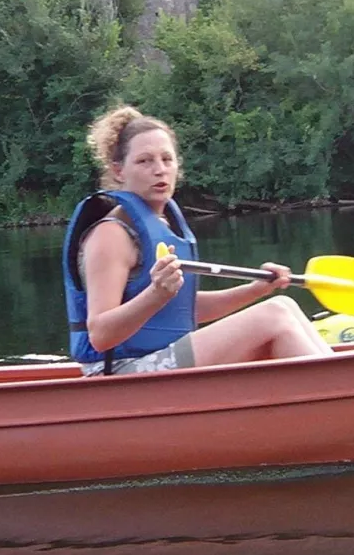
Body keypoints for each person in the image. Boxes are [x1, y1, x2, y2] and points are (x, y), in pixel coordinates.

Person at [63, 107, 333, 376]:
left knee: (285, 305)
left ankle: (337, 385)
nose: (159, 170)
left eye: (167, 159)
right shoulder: (111, 234)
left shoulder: (163, 224)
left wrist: (255, 290)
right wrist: (156, 294)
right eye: (145, 161)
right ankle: (343, 392)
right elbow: (101, 334)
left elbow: (182, 309)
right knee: (274, 315)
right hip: (119, 372)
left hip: (159, 359)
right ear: (119, 171)